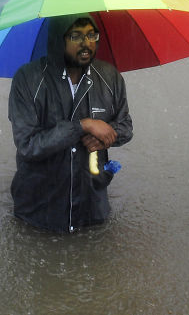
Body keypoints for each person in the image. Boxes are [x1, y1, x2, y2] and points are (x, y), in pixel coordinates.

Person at [8, 14, 133, 233]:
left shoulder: (110, 76)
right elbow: (28, 145)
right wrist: (81, 126)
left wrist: (106, 135)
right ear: (59, 39)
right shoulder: (27, 79)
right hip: (38, 210)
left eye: (92, 35)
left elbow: (125, 127)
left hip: (92, 207)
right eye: (76, 36)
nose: (87, 44)